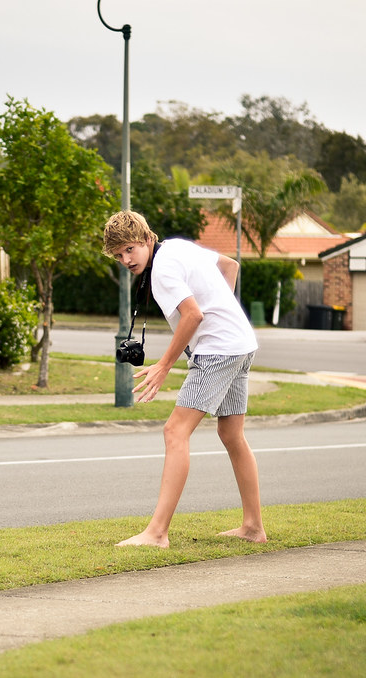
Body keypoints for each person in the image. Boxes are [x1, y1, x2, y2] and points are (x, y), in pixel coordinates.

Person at [103, 210, 267, 547]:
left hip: (218, 350)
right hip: (241, 343)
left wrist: (164, 365)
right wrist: (224, 311)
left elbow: (193, 314)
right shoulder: (177, 247)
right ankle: (253, 527)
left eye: (130, 249)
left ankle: (157, 532)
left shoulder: (162, 270)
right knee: (232, 434)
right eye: (118, 255)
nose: (125, 260)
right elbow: (230, 266)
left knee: (175, 431)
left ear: (147, 239)